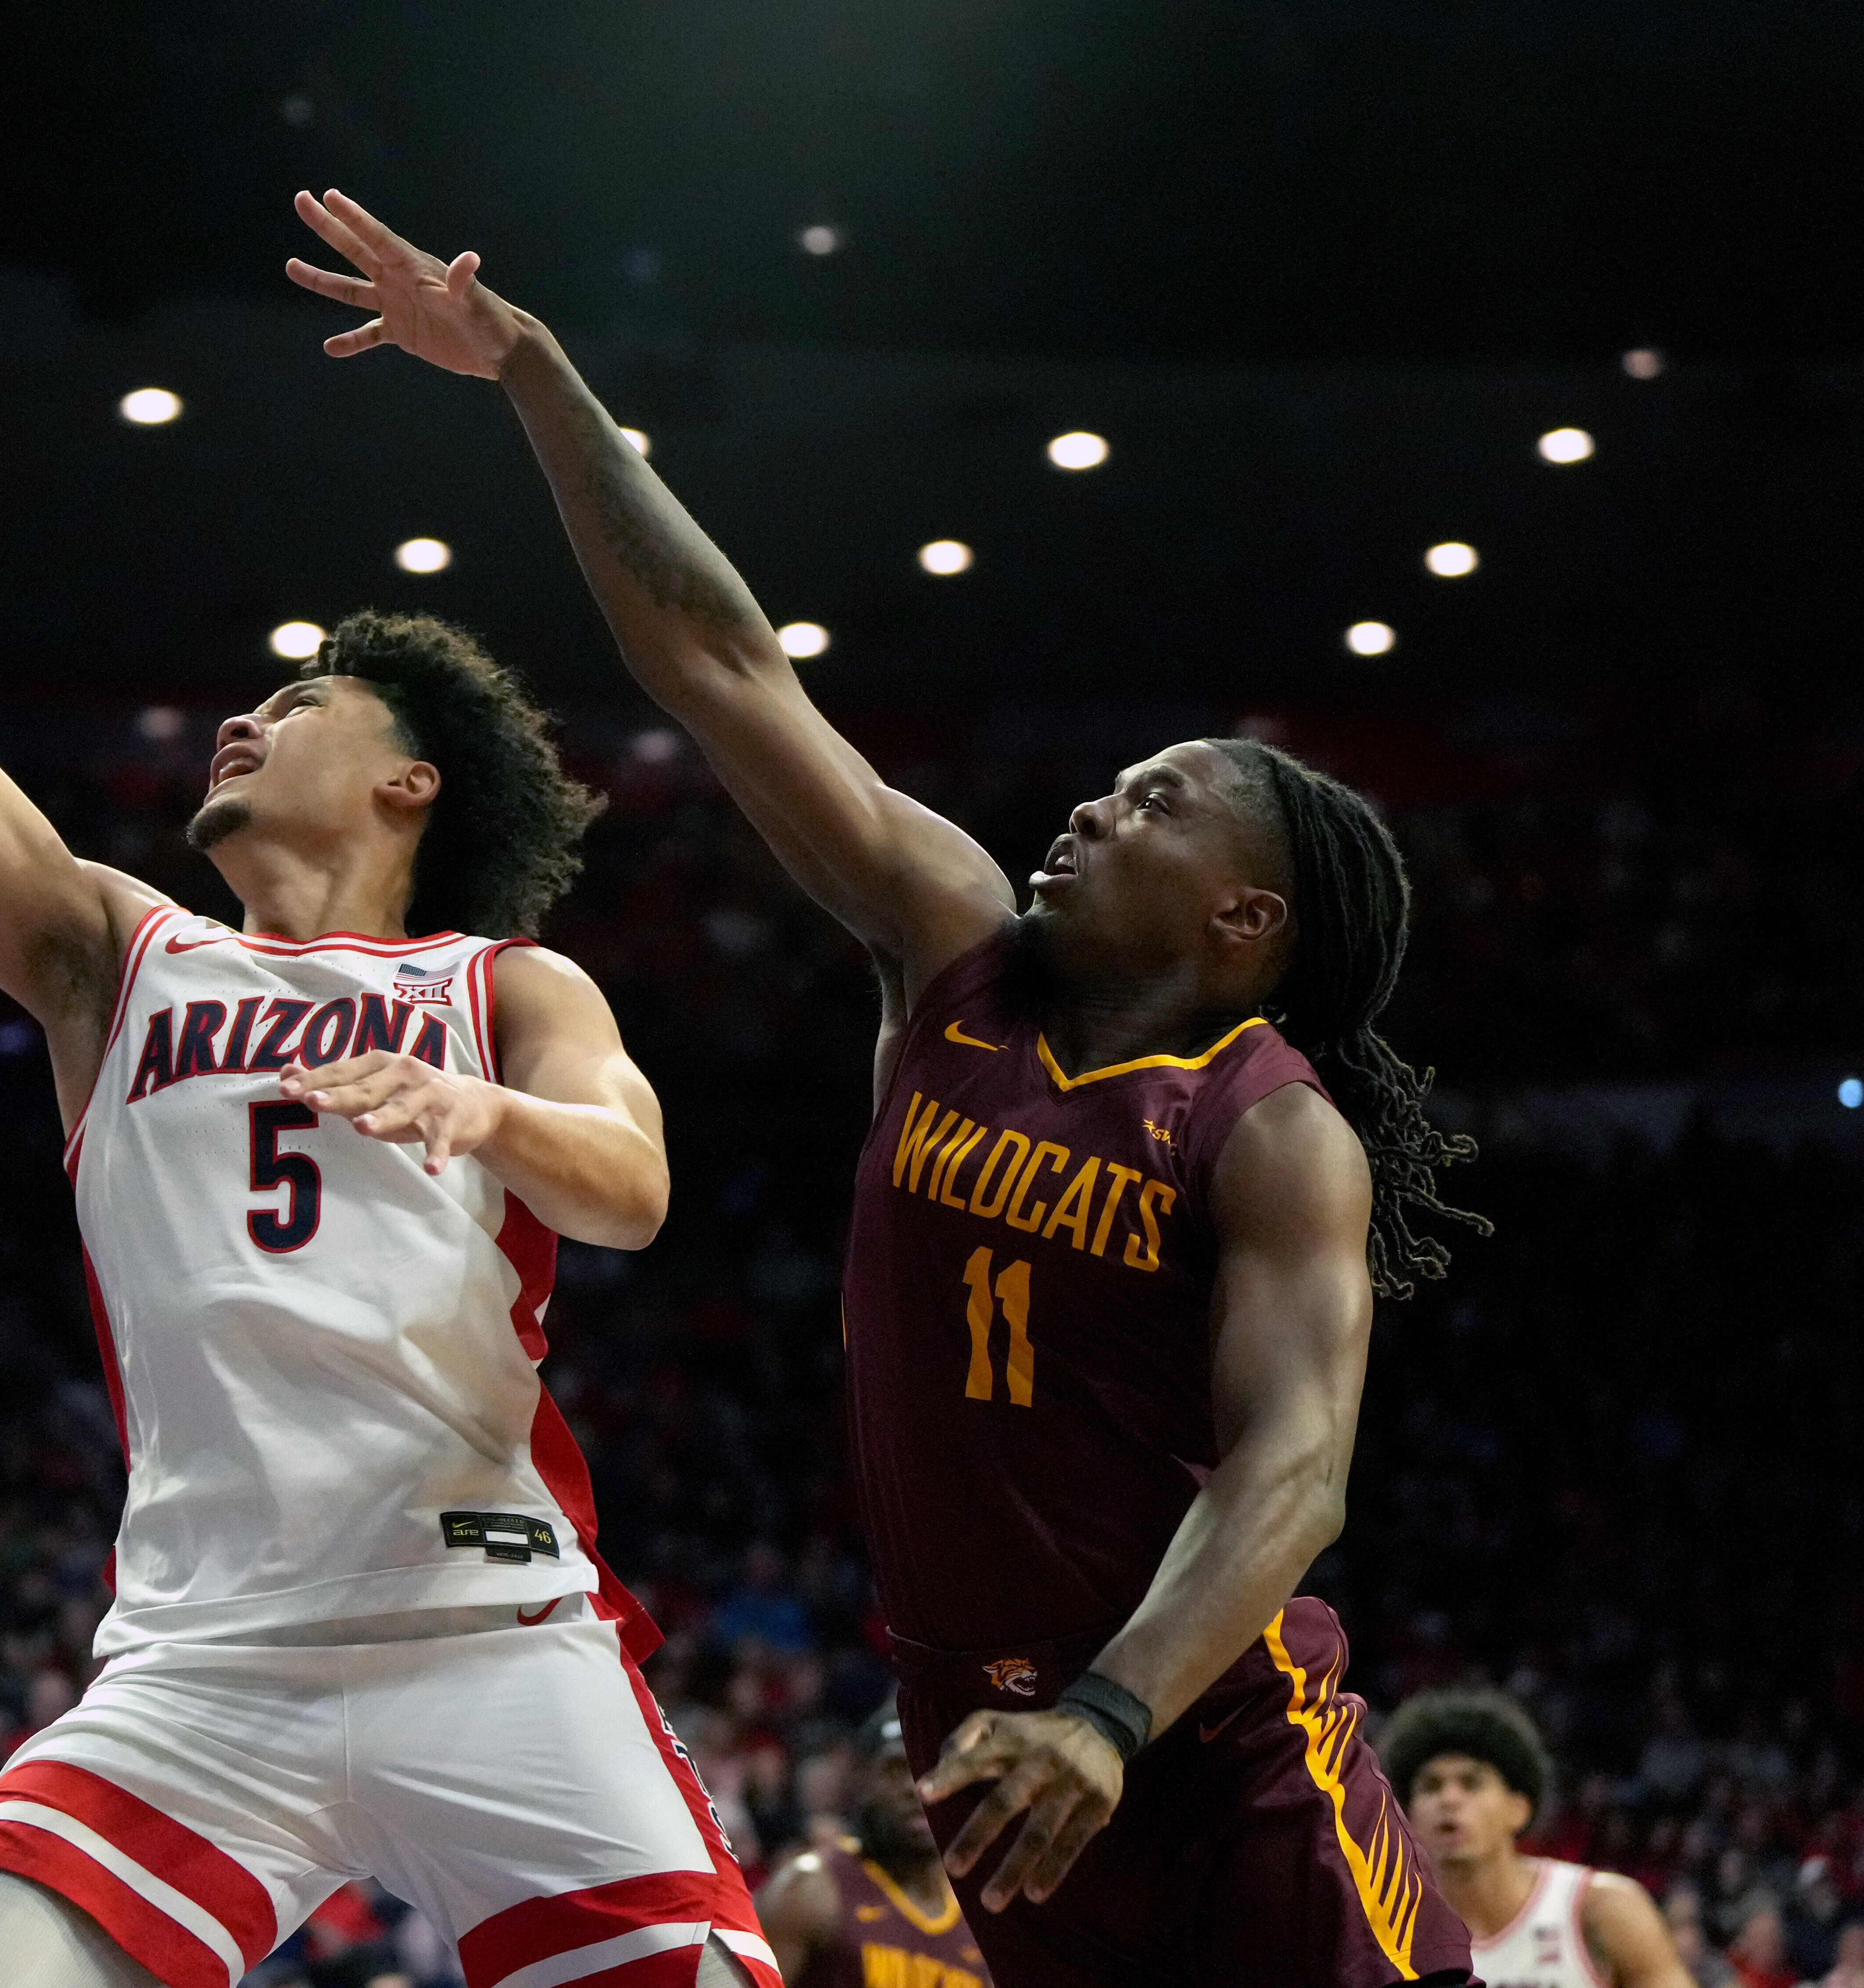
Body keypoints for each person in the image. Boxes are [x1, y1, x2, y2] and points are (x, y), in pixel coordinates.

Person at [285, 187, 1491, 1987]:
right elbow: (721, 660)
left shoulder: (1270, 1129)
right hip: (977, 1730)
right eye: (1114, 782)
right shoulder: (958, 953)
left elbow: (1296, 1472)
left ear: (1250, 917)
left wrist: (1111, 1712)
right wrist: (536, 374)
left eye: (1159, 803)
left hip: (1211, 1731)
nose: (1093, 806)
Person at [0, 157, 767, 1988]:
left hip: (494, 1627)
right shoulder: (115, 954)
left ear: (412, 785)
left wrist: (487, 1114)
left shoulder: (505, 985)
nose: (250, 711)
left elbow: (632, 1189)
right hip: (206, 1666)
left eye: (303, 703)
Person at [1383, 1691, 1690, 1987]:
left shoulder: (1601, 1910)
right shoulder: (1376, 1934)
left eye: (1471, 1783)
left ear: (1519, 1810)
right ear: (1408, 1816)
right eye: (1431, 1787)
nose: (1449, 1799)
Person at [757, 1701, 989, 1988]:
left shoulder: (986, 1914)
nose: (914, 1787)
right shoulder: (807, 1891)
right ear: (862, 1781)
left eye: (931, 1768)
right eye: (896, 1769)